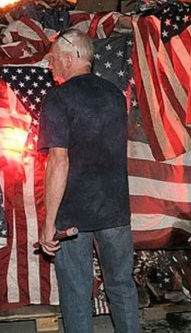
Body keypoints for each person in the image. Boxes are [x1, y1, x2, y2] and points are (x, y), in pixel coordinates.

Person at [38, 29, 140, 333]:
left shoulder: (58, 98)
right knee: (121, 285)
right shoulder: (114, 94)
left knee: (77, 292)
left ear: (69, 58)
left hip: (73, 215)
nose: (52, 66)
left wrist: (49, 223)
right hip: (115, 210)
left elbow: (59, 161)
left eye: (55, 59)